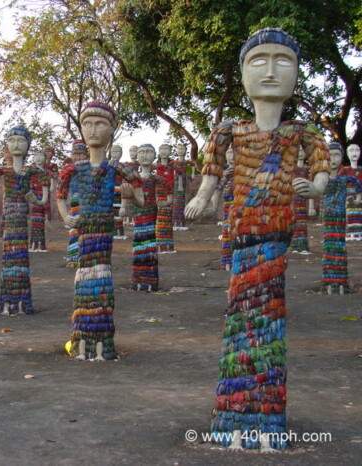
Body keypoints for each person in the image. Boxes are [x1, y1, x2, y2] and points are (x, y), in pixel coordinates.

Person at [185, 28, 330, 451]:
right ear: (244, 73)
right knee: (241, 310)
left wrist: (316, 188)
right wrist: (202, 197)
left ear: (297, 73)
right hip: (243, 229)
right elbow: (210, 173)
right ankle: (235, 404)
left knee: (269, 309)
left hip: (277, 231)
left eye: (282, 60)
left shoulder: (301, 133)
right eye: (258, 60)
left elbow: (321, 169)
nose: (270, 71)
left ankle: (265, 406)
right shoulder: (230, 131)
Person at [56, 102, 143, 361]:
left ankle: (102, 341)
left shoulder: (118, 168)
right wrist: (66, 216)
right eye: (87, 124)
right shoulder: (73, 169)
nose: (93, 130)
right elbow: (60, 195)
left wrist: (129, 197)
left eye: (101, 124)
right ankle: (82, 338)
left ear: (112, 129)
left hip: (104, 234)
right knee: (84, 281)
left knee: (101, 279)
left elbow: (141, 195)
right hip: (84, 233)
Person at [0, 126, 49, 315]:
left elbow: (44, 194)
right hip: (9, 218)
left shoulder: (32, 170)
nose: (16, 144)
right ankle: (6, 301)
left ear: (28, 145)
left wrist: (36, 200)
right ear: (7, 145)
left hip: (21, 219)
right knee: (8, 256)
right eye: (12, 141)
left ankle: (21, 301)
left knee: (20, 256)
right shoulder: (1, 170)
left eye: (21, 140)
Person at [120, 144, 166, 291]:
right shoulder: (133, 179)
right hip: (139, 217)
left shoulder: (157, 179)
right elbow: (126, 195)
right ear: (137, 156)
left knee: (150, 245)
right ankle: (138, 278)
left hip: (152, 215)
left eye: (149, 152)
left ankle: (150, 279)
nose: (145, 155)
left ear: (154, 156)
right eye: (142, 152)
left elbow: (168, 194)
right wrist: (123, 205)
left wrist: (165, 202)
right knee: (139, 245)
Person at [321, 142, 362, 294]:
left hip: (340, 218)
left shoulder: (345, 179)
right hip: (327, 219)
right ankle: (328, 281)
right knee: (328, 247)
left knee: (339, 246)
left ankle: (340, 282)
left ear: (342, 157)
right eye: (330, 155)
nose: (333, 159)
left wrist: (357, 200)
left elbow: (358, 186)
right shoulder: (322, 179)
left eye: (337, 155)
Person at [65, 140, 88, 267]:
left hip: (87, 202)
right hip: (74, 202)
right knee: (74, 227)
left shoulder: (91, 169)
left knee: (85, 228)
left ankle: (84, 256)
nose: (78, 157)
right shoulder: (69, 170)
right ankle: (73, 257)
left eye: (81, 153)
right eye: (75, 153)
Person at [155, 144, 175, 252]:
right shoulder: (156, 167)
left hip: (169, 195)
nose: (164, 151)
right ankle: (159, 245)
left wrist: (170, 198)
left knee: (167, 221)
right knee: (159, 221)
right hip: (159, 195)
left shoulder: (172, 166)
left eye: (167, 149)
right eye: (162, 149)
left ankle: (168, 245)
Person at [339, 144, 362, 240]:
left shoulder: (360, 170)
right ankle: (350, 234)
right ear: (347, 154)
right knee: (349, 214)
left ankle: (358, 233)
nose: (354, 153)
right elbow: (340, 183)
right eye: (351, 150)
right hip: (348, 196)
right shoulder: (344, 170)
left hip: (360, 195)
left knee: (359, 214)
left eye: (357, 150)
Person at [29, 150, 50, 252]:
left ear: (45, 159)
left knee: (40, 222)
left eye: (41, 156)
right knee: (35, 222)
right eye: (36, 156)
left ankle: (40, 245)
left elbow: (49, 186)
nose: (38, 158)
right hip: (33, 198)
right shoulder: (30, 170)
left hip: (42, 198)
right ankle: (34, 245)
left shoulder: (45, 172)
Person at [110, 144, 126, 239]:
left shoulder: (123, 166)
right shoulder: (108, 166)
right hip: (110, 191)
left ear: (121, 154)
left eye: (118, 152)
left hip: (120, 191)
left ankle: (119, 231)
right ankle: (112, 230)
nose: (116, 154)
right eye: (113, 152)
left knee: (119, 212)